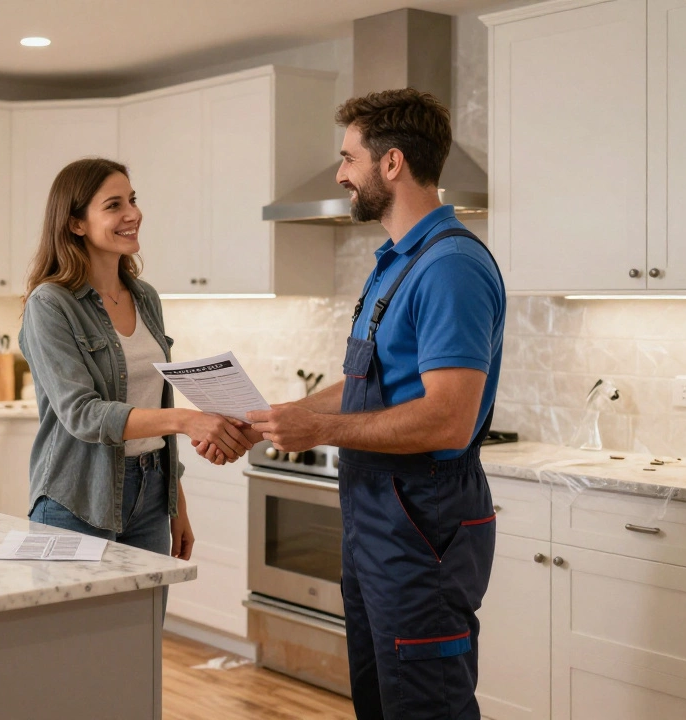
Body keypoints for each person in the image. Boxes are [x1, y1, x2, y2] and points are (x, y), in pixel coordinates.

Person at [248, 89, 506, 719]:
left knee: (425, 703)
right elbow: (366, 382)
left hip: (423, 521)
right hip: (374, 520)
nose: (340, 174)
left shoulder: (450, 267)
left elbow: (449, 417)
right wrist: (287, 413)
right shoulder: (394, 263)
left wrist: (321, 428)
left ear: (391, 164)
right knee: (380, 697)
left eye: (349, 157)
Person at [18, 157, 254, 568]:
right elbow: (84, 415)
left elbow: (156, 404)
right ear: (76, 224)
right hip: (78, 499)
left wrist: (175, 504)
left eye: (132, 199)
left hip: (152, 495)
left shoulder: (145, 297)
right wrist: (187, 420)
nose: (133, 214)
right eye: (113, 205)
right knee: (80, 633)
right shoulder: (50, 303)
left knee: (143, 632)